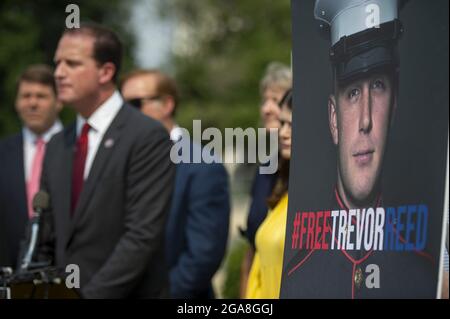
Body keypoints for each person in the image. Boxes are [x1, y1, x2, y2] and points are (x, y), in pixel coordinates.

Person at [282, 0, 436, 298]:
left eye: (378, 86)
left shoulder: (425, 273)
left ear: (393, 106)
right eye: (352, 92)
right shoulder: (296, 277)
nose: (365, 119)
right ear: (333, 119)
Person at [37, 23, 175, 298]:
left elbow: (140, 238)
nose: (59, 73)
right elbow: (46, 236)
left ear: (106, 72)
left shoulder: (147, 137)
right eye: (57, 63)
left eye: (72, 63)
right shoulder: (57, 144)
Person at [121, 69, 230, 298]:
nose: (126, 115)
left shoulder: (202, 166)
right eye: (122, 107)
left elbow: (204, 254)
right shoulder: (122, 161)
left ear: (167, 104)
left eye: (135, 104)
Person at [0, 64, 63, 269]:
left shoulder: (78, 149)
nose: (32, 103)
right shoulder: (3, 152)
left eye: (41, 96)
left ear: (59, 101)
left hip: (68, 275)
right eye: (26, 96)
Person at [240, 62, 292, 297]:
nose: (267, 109)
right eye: (264, 100)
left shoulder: (316, 175)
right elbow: (253, 247)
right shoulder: (266, 169)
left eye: (277, 99)